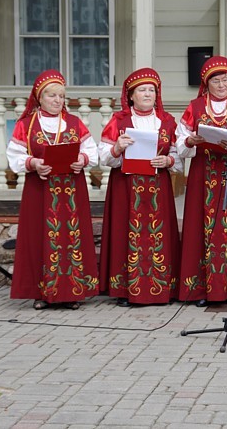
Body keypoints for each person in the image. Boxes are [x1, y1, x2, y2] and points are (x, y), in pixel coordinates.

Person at [6, 70, 99, 310]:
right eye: (51, 95)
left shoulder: (74, 123)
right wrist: (34, 163)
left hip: (71, 192)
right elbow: (14, 156)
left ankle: (72, 292)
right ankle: (42, 293)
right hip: (41, 191)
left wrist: (83, 159)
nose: (57, 100)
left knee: (71, 238)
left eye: (61, 96)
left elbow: (93, 151)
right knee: (40, 237)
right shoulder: (25, 126)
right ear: (39, 97)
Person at [175, 56, 227, 307]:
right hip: (204, 173)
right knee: (203, 227)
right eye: (216, 80)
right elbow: (179, 142)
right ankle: (204, 288)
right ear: (206, 83)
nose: (222, 85)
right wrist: (190, 142)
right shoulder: (195, 106)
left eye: (225, 79)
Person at [98, 68, 182, 307]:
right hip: (127, 187)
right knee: (127, 234)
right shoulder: (119, 121)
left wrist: (168, 161)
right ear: (131, 95)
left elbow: (178, 155)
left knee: (158, 236)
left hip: (157, 188)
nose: (147, 94)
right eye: (142, 90)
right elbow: (103, 156)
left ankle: (161, 289)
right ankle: (126, 290)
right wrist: (117, 148)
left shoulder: (167, 122)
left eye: (152, 90)